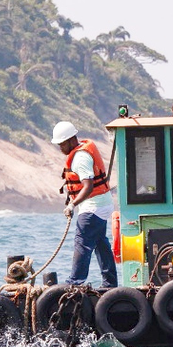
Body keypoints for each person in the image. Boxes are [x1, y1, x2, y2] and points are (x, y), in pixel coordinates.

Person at [52, 121, 118, 288]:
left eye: (61, 144)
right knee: (100, 243)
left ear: (71, 140)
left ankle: (75, 282)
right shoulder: (81, 151)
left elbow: (87, 187)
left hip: (94, 206)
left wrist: (72, 205)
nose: (60, 148)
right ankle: (110, 283)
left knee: (82, 241)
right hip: (102, 204)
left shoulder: (80, 157)